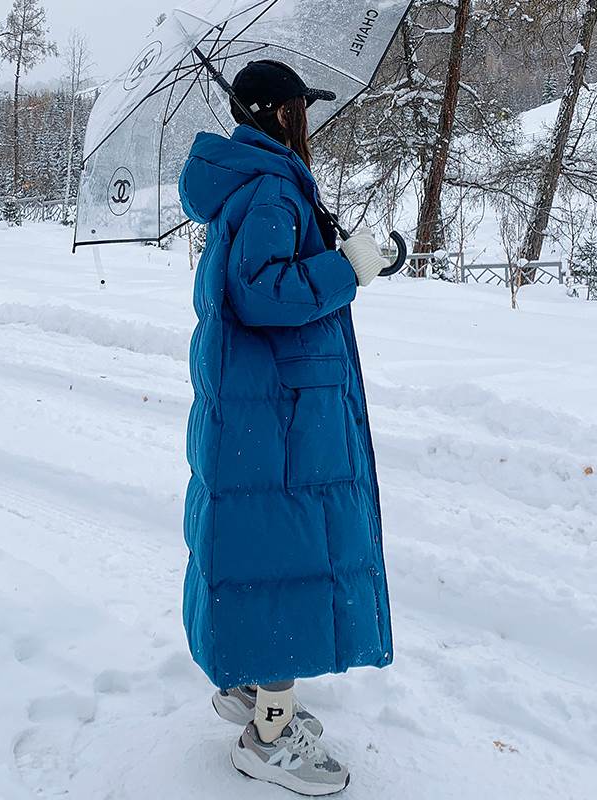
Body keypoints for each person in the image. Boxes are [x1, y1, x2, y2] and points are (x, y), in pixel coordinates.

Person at [178, 59, 393, 796]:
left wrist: (336, 252)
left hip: (261, 402)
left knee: (264, 545)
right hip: (278, 408)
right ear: (276, 114)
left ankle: (248, 682)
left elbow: (261, 276)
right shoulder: (269, 186)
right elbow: (265, 292)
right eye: (300, 108)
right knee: (285, 549)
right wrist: (351, 268)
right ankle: (268, 732)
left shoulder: (256, 181)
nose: (309, 119)